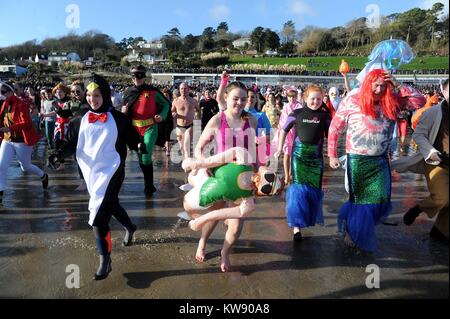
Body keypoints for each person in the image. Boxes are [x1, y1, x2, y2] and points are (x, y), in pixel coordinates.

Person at [48, 74, 147, 280]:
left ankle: (105, 259)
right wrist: (58, 154)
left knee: (98, 214)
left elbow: (131, 136)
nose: (93, 99)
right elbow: (71, 144)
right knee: (110, 204)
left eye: (98, 95)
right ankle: (130, 226)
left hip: (114, 169)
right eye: (90, 95)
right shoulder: (79, 119)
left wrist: (138, 144)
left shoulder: (118, 118)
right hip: (92, 173)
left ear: (106, 95)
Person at [327, 69, 426, 252]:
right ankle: (351, 231)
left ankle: (361, 225)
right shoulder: (353, 99)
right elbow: (335, 127)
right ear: (368, 83)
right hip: (358, 159)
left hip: (380, 159)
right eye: (376, 85)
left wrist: (397, 84)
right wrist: (332, 154)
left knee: (381, 199)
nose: (380, 89)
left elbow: (420, 101)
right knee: (359, 200)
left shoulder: (393, 101)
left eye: (383, 85)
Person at [191, 74, 258, 268]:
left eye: (243, 99)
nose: (239, 102)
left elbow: (254, 149)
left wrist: (258, 172)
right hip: (220, 173)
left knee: (237, 222)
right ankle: (202, 242)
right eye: (236, 98)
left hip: (244, 176)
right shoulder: (217, 119)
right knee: (216, 213)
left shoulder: (251, 120)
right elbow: (199, 146)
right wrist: (201, 164)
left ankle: (224, 252)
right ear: (226, 98)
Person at [182, 147, 284, 272]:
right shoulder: (243, 157)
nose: (262, 182)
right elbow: (220, 158)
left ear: (263, 194)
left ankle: (224, 252)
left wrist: (201, 220)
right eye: (268, 177)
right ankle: (202, 242)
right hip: (211, 175)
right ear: (266, 171)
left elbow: (218, 214)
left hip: (235, 196)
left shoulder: (248, 204)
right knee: (188, 201)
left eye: (267, 189)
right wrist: (198, 164)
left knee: (234, 228)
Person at [392, 79, 449, 243]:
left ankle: (440, 231)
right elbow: (418, 135)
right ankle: (418, 208)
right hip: (437, 162)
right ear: (444, 93)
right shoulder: (432, 113)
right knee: (442, 197)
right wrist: (430, 151)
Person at [275, 85, 331, 241]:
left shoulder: (325, 116)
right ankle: (296, 228)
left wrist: (333, 154)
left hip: (316, 158)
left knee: (313, 190)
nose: (315, 101)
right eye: (312, 98)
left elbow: (333, 134)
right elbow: (284, 130)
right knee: (298, 190)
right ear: (305, 98)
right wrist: (279, 148)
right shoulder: (297, 113)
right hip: (299, 156)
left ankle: (307, 219)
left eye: (319, 99)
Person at [122, 65, 172, 196]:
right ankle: (148, 184)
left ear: (144, 77)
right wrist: (124, 111)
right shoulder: (128, 92)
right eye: (134, 76)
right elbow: (124, 108)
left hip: (150, 127)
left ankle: (149, 185)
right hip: (134, 129)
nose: (136, 79)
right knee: (141, 158)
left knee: (145, 154)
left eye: (139, 76)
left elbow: (166, 104)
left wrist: (162, 115)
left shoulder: (152, 91)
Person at [0, 81, 48, 205]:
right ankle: (0, 195)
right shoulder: (4, 104)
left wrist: (10, 128)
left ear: (11, 92)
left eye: (3, 92)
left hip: (22, 141)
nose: (1, 94)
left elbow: (26, 123)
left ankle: (43, 175)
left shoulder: (21, 104)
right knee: (1, 165)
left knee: (25, 166)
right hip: (7, 139)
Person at [277, 88, 302, 185]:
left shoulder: (299, 106)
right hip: (287, 132)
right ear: (287, 97)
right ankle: (287, 175)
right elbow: (283, 120)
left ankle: (292, 173)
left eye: (293, 96)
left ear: (296, 96)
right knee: (287, 154)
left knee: (294, 154)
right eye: (290, 97)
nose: (291, 99)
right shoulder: (286, 107)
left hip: (296, 132)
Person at [171, 82, 200, 159]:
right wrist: (174, 114)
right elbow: (172, 111)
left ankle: (188, 165)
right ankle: (186, 162)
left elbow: (198, 110)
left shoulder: (193, 101)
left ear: (188, 89)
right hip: (179, 126)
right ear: (179, 90)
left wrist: (197, 117)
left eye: (185, 88)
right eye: (182, 89)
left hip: (190, 126)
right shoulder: (176, 101)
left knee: (186, 146)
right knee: (182, 148)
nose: (183, 90)